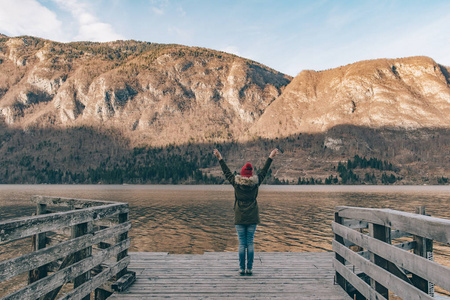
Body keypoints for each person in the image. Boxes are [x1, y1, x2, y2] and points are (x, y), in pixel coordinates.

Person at [213, 148, 279, 276]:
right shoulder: (256, 183)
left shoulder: (236, 183)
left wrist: (219, 157)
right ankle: (249, 269)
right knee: (250, 242)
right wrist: (271, 157)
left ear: (242, 174)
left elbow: (226, 172)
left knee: (242, 243)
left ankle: (241, 268)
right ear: (251, 175)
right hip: (252, 217)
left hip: (239, 217)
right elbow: (264, 171)